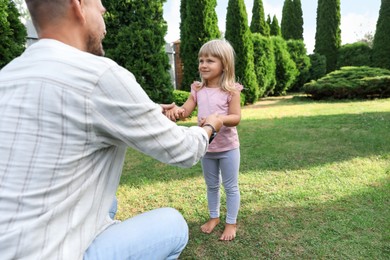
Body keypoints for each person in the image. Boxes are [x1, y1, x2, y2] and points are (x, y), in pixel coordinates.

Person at [0, 0, 223, 259]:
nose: (105, 9)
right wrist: (210, 127)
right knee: (174, 226)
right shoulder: (98, 75)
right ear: (78, 6)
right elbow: (183, 151)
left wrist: (147, 112)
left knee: (110, 203)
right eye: (99, 3)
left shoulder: (8, 75)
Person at [164, 39, 243, 241]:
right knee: (212, 185)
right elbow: (186, 110)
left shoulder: (231, 90)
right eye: (201, 60)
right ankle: (214, 217)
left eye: (210, 60)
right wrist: (176, 111)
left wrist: (218, 120)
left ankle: (231, 222)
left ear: (224, 64)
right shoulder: (198, 89)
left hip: (228, 148)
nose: (203, 65)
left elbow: (235, 118)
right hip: (207, 148)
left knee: (231, 186)